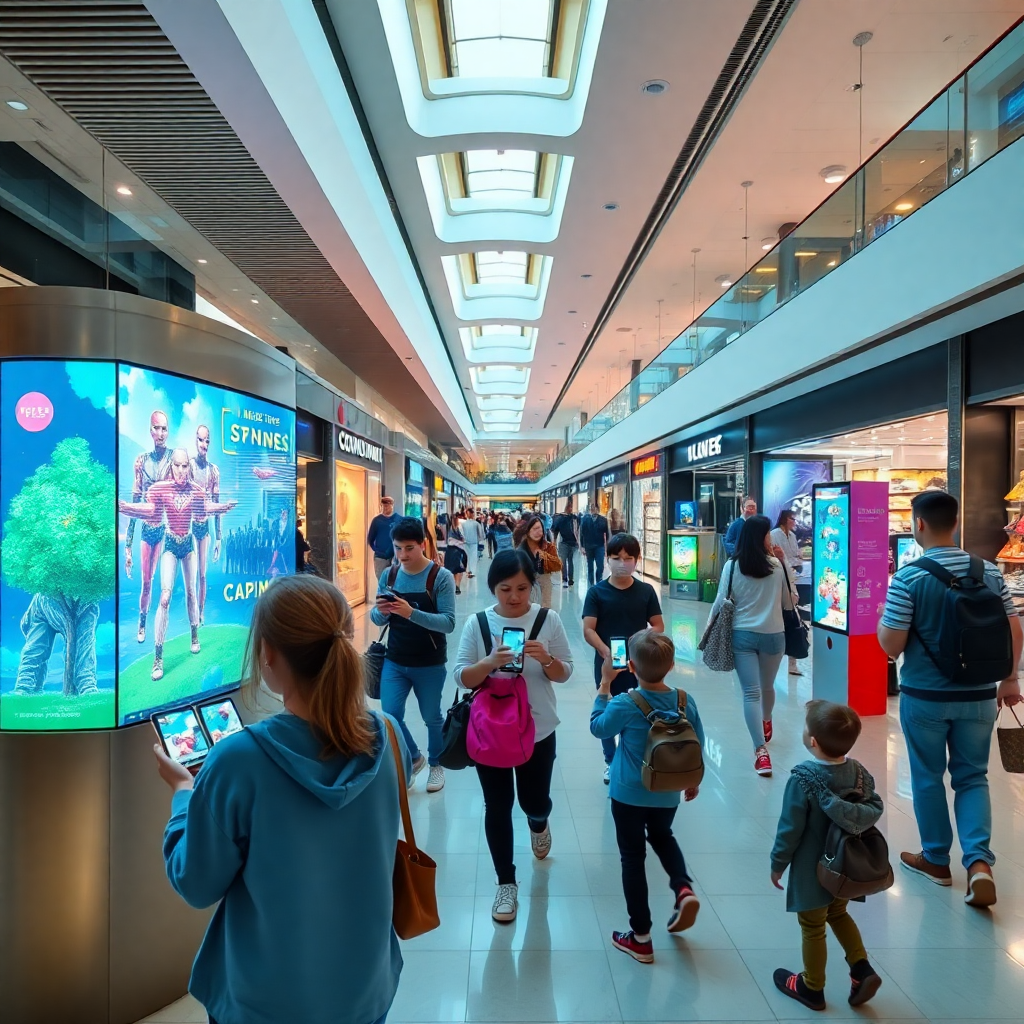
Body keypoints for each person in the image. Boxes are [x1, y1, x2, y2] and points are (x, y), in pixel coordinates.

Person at [156, 573, 407, 1024]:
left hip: (265, 1001)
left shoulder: (238, 761)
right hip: (364, 990)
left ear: (268, 654)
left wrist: (183, 796)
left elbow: (196, 882)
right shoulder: (388, 734)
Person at [878, 490, 1023, 907]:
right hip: (978, 694)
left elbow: (891, 644)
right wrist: (1010, 680)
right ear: (955, 523)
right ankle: (979, 864)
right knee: (972, 777)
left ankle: (937, 860)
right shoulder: (991, 573)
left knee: (927, 776)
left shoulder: (908, 577)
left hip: (925, 695)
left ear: (917, 523)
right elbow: (1015, 630)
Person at [454, 549, 573, 923]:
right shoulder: (477, 623)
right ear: (493, 588)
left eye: (522, 588)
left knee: (534, 802)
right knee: (498, 804)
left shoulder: (548, 620)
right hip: (491, 732)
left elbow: (565, 673)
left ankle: (539, 823)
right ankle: (506, 883)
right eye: (505, 589)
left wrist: (547, 660)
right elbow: (460, 676)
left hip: (538, 729)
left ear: (533, 586)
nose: (515, 597)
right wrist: (490, 663)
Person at [590, 629, 705, 964]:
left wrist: (603, 686)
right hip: (667, 790)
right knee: (662, 835)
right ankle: (682, 887)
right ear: (671, 667)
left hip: (628, 792)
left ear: (630, 666)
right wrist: (693, 780)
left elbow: (599, 728)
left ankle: (640, 937)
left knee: (632, 858)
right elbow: (697, 740)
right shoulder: (684, 700)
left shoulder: (627, 702)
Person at [770, 701, 883, 1011]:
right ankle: (861, 968)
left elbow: (789, 829)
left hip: (812, 870)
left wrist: (777, 864)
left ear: (813, 741)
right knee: (837, 913)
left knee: (812, 924)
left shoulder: (803, 779)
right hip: (844, 867)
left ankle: (811, 986)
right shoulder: (859, 773)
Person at [118, 448, 238, 681]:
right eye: (178, 466)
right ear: (172, 466)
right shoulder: (159, 489)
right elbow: (150, 510)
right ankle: (158, 656)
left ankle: (195, 636)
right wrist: (127, 507)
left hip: (188, 546)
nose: (182, 470)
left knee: (192, 592)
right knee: (164, 596)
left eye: (185, 466)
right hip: (171, 545)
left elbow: (205, 509)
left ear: (188, 467)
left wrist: (223, 507)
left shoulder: (196, 490)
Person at [371, 517, 456, 794]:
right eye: (398, 548)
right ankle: (413, 758)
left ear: (422, 544)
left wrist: (411, 613)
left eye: (409, 548)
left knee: (431, 716)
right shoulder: (390, 575)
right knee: (390, 715)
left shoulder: (439, 577)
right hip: (395, 660)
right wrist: (381, 612)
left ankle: (436, 764)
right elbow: (377, 618)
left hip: (429, 662)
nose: (403, 555)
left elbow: (448, 623)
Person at [709, 514, 797, 777]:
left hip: (742, 635)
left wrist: (708, 628)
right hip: (773, 635)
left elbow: (720, 601)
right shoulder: (776, 565)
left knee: (750, 692)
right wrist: (782, 562)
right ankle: (767, 722)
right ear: (763, 538)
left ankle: (761, 752)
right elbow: (788, 601)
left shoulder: (732, 566)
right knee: (768, 686)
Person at [582, 533, 664, 782]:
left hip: (637, 663)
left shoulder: (646, 591)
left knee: (638, 707)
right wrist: (604, 650)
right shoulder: (597, 592)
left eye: (628, 558)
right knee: (606, 709)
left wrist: (640, 639)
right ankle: (610, 759)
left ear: (637, 560)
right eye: (616, 557)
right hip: (607, 662)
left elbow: (658, 625)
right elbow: (588, 629)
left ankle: (634, 756)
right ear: (607, 559)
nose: (622, 562)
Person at [124, 409, 172, 643]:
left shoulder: (176, 460)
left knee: (164, 586)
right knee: (146, 582)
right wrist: (128, 546)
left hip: (166, 531)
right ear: (150, 430)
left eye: (164, 428)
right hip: (146, 530)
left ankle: (164, 629)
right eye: (157, 428)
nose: (161, 433)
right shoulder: (141, 462)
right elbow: (134, 505)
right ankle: (142, 622)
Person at [190, 425, 222, 626]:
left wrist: (219, 536)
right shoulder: (188, 466)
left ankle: (200, 613)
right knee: (193, 574)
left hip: (206, 527)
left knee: (202, 574)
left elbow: (217, 505)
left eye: (207, 441)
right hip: (190, 526)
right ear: (195, 440)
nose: (204, 444)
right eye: (201, 440)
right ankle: (193, 613)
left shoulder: (213, 471)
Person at [770, 509, 806, 676]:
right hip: (781, 579)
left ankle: (792, 663)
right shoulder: (775, 534)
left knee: (793, 624)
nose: (794, 522)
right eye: (792, 518)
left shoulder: (792, 536)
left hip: (792, 576)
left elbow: (795, 555)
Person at [516, 513, 561, 608]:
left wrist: (543, 555)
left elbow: (558, 565)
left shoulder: (548, 546)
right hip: (527, 584)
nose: (538, 532)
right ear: (528, 531)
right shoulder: (521, 549)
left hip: (545, 584)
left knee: (546, 610)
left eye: (540, 529)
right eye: (535, 529)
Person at [366, 496, 399, 579]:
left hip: (395, 557)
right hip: (380, 558)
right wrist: (377, 550)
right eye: (383, 506)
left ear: (392, 505)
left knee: (395, 581)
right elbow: (370, 538)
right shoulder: (377, 521)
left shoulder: (398, 519)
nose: (385, 508)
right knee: (381, 580)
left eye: (387, 506)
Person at [580, 503, 610, 587]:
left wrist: (607, 547)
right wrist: (582, 546)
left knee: (600, 565)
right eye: (591, 508)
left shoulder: (603, 520)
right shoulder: (585, 520)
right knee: (590, 565)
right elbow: (582, 534)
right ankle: (591, 583)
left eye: (594, 508)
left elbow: (607, 534)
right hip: (589, 546)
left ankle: (599, 580)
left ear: (598, 509)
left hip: (599, 545)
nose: (593, 509)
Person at [551, 500, 580, 588]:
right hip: (564, 543)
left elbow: (578, 531)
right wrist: (554, 542)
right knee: (563, 561)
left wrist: (579, 543)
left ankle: (570, 579)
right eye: (569, 507)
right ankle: (564, 579)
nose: (570, 509)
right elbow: (556, 531)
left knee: (570, 561)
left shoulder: (575, 518)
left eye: (571, 507)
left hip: (573, 543)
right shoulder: (560, 518)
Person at [443, 512, 468, 595]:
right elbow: (464, 539)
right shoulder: (459, 527)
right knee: (459, 569)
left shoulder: (447, 527)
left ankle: (454, 586)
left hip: (450, 550)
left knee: (452, 569)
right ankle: (457, 586)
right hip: (459, 550)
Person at [461, 511, 482, 579]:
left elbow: (462, 533)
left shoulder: (463, 524)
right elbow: (480, 533)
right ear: (472, 515)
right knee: (473, 557)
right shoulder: (476, 523)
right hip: (474, 542)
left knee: (467, 556)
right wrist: (479, 539)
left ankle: (468, 570)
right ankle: (472, 571)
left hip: (466, 542)